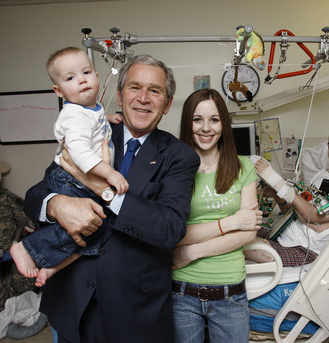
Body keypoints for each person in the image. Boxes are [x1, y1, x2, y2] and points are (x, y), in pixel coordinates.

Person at [23, 54, 200, 343]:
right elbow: (34, 196)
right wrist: (56, 205)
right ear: (119, 94)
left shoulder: (179, 157)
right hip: (73, 303)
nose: (143, 98)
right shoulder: (87, 132)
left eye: (154, 91)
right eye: (134, 87)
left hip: (136, 312)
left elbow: (169, 229)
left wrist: (100, 189)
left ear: (167, 105)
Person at [10, 47, 125, 287]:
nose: (81, 79)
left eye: (86, 72)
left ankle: (53, 265)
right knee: (87, 222)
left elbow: (94, 123)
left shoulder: (92, 108)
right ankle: (27, 249)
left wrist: (109, 118)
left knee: (95, 228)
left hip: (78, 178)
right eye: (70, 77)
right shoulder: (73, 116)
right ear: (58, 90)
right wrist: (109, 173)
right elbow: (81, 154)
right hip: (68, 178)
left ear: (95, 75)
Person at [171, 88, 263, 343]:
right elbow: (172, 233)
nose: (206, 128)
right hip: (182, 291)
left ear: (224, 123)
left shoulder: (243, 167)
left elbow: (249, 231)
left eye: (214, 119)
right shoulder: (174, 169)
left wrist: (191, 252)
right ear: (187, 123)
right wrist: (230, 222)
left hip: (229, 292)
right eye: (197, 119)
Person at [245, 125, 329, 267]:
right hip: (283, 231)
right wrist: (278, 195)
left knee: (234, 244)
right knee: (234, 227)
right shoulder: (322, 174)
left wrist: (277, 182)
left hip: (303, 249)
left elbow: (313, 216)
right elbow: (293, 211)